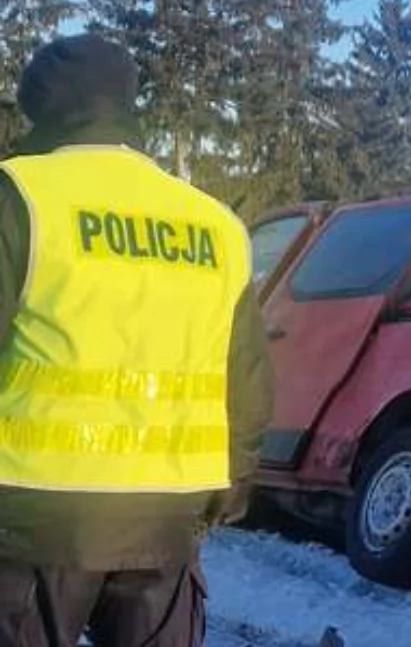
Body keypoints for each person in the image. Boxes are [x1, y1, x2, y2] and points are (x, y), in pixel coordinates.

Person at [0, 35, 274, 646]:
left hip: (31, 519)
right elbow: (247, 382)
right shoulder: (216, 224)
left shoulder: (19, 196)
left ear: (39, 108)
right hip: (168, 518)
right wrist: (226, 485)